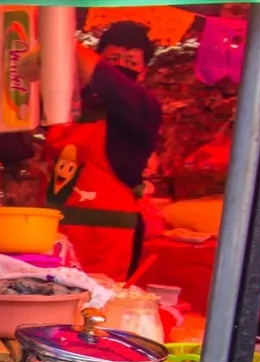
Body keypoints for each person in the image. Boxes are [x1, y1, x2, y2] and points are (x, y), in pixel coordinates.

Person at [22, 21, 163, 281]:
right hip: (55, 232)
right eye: (113, 59)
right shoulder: (68, 105)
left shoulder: (144, 108)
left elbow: (109, 82)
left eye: (131, 62)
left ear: (143, 71)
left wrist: (60, 38)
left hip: (107, 239)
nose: (121, 66)